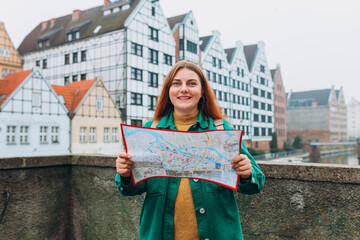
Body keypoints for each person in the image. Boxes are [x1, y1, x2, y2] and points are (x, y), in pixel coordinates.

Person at [115, 60, 265, 240]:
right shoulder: (149, 131)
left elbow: (256, 184)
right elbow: (129, 189)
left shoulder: (221, 131)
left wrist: (247, 174)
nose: (183, 89)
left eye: (191, 83)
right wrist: (125, 174)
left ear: (202, 92)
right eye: (176, 83)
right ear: (168, 91)